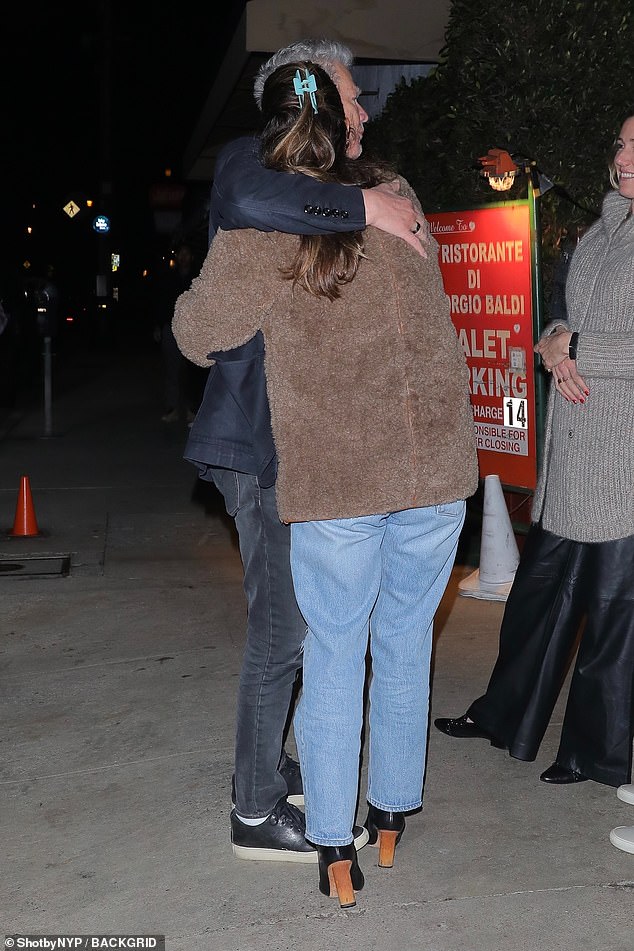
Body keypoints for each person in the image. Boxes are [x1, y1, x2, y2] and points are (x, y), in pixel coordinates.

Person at [174, 59, 478, 907]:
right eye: (354, 98)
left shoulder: (267, 223)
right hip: (438, 467)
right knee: (406, 640)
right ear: (326, 110)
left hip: (343, 472)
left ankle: (334, 841)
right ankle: (390, 811)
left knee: (337, 652)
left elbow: (196, 331)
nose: (367, 114)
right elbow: (437, 308)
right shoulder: (398, 194)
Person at [435, 115, 634, 796]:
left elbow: (601, 340)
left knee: (611, 620)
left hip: (622, 461)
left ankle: (593, 751)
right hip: (572, 459)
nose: (625, 154)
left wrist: (578, 350)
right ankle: (504, 716)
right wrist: (554, 340)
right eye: (622, 142)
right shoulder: (602, 231)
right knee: (535, 602)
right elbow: (565, 317)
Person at [153, 242, 201, 423]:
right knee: (171, 369)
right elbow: (160, 302)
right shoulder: (168, 277)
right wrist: (158, 325)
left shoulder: (199, 276)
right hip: (171, 327)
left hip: (192, 329)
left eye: (187, 253)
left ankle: (192, 409)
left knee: (192, 370)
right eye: (181, 254)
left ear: (191, 256)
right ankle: (172, 408)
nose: (183, 257)